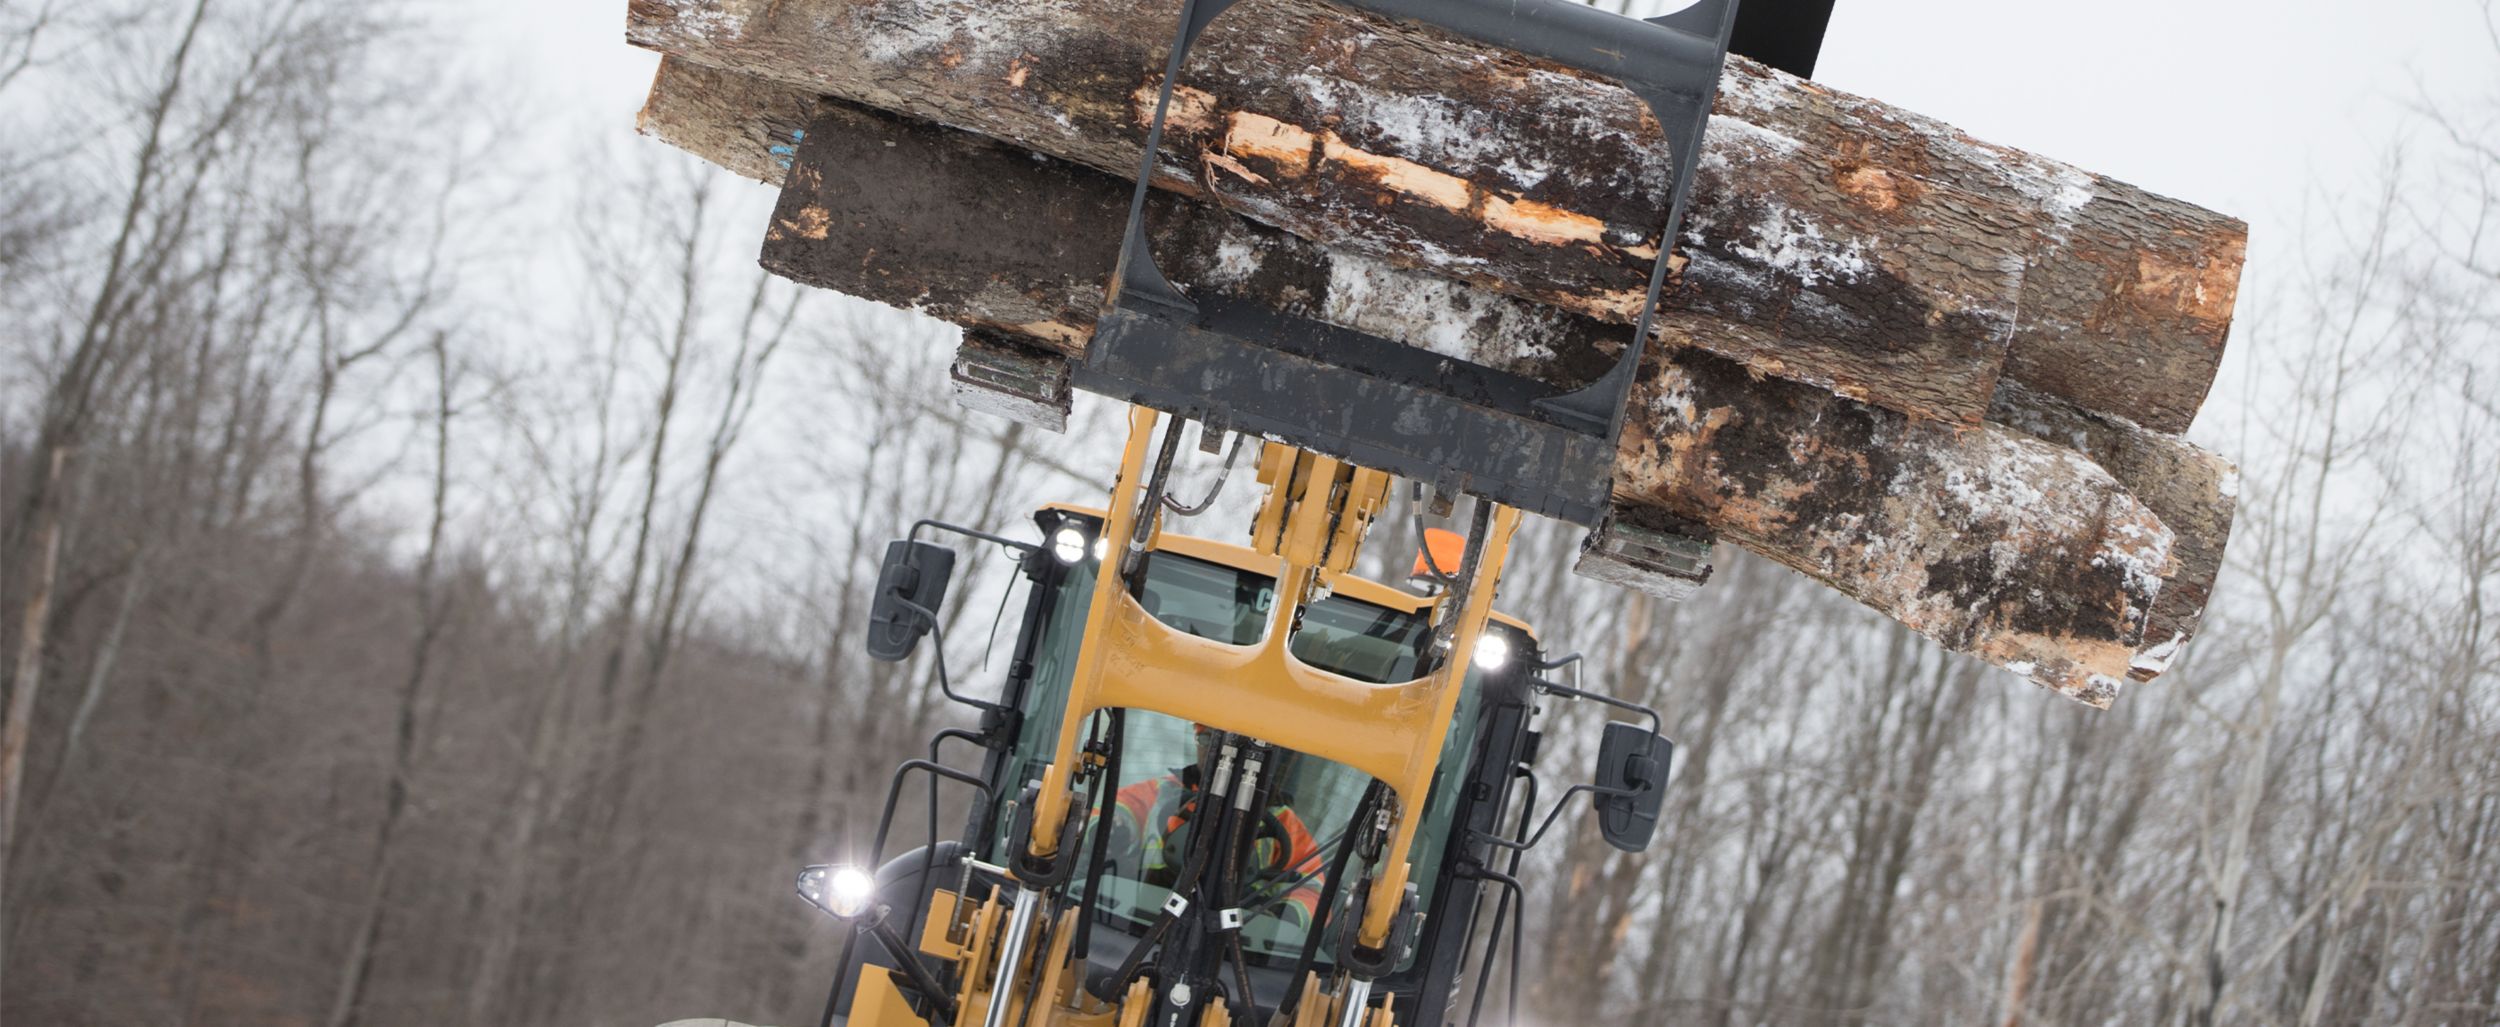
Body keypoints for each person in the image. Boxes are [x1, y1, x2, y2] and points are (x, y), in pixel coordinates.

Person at [1105, 730, 1326, 930]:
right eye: (1208, 738)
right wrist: (1110, 828)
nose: (1219, 751)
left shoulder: (1283, 822)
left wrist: (1284, 917)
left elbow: (1313, 891)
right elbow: (1111, 811)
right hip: (1136, 922)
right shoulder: (1162, 793)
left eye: (1232, 745)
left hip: (1236, 946)